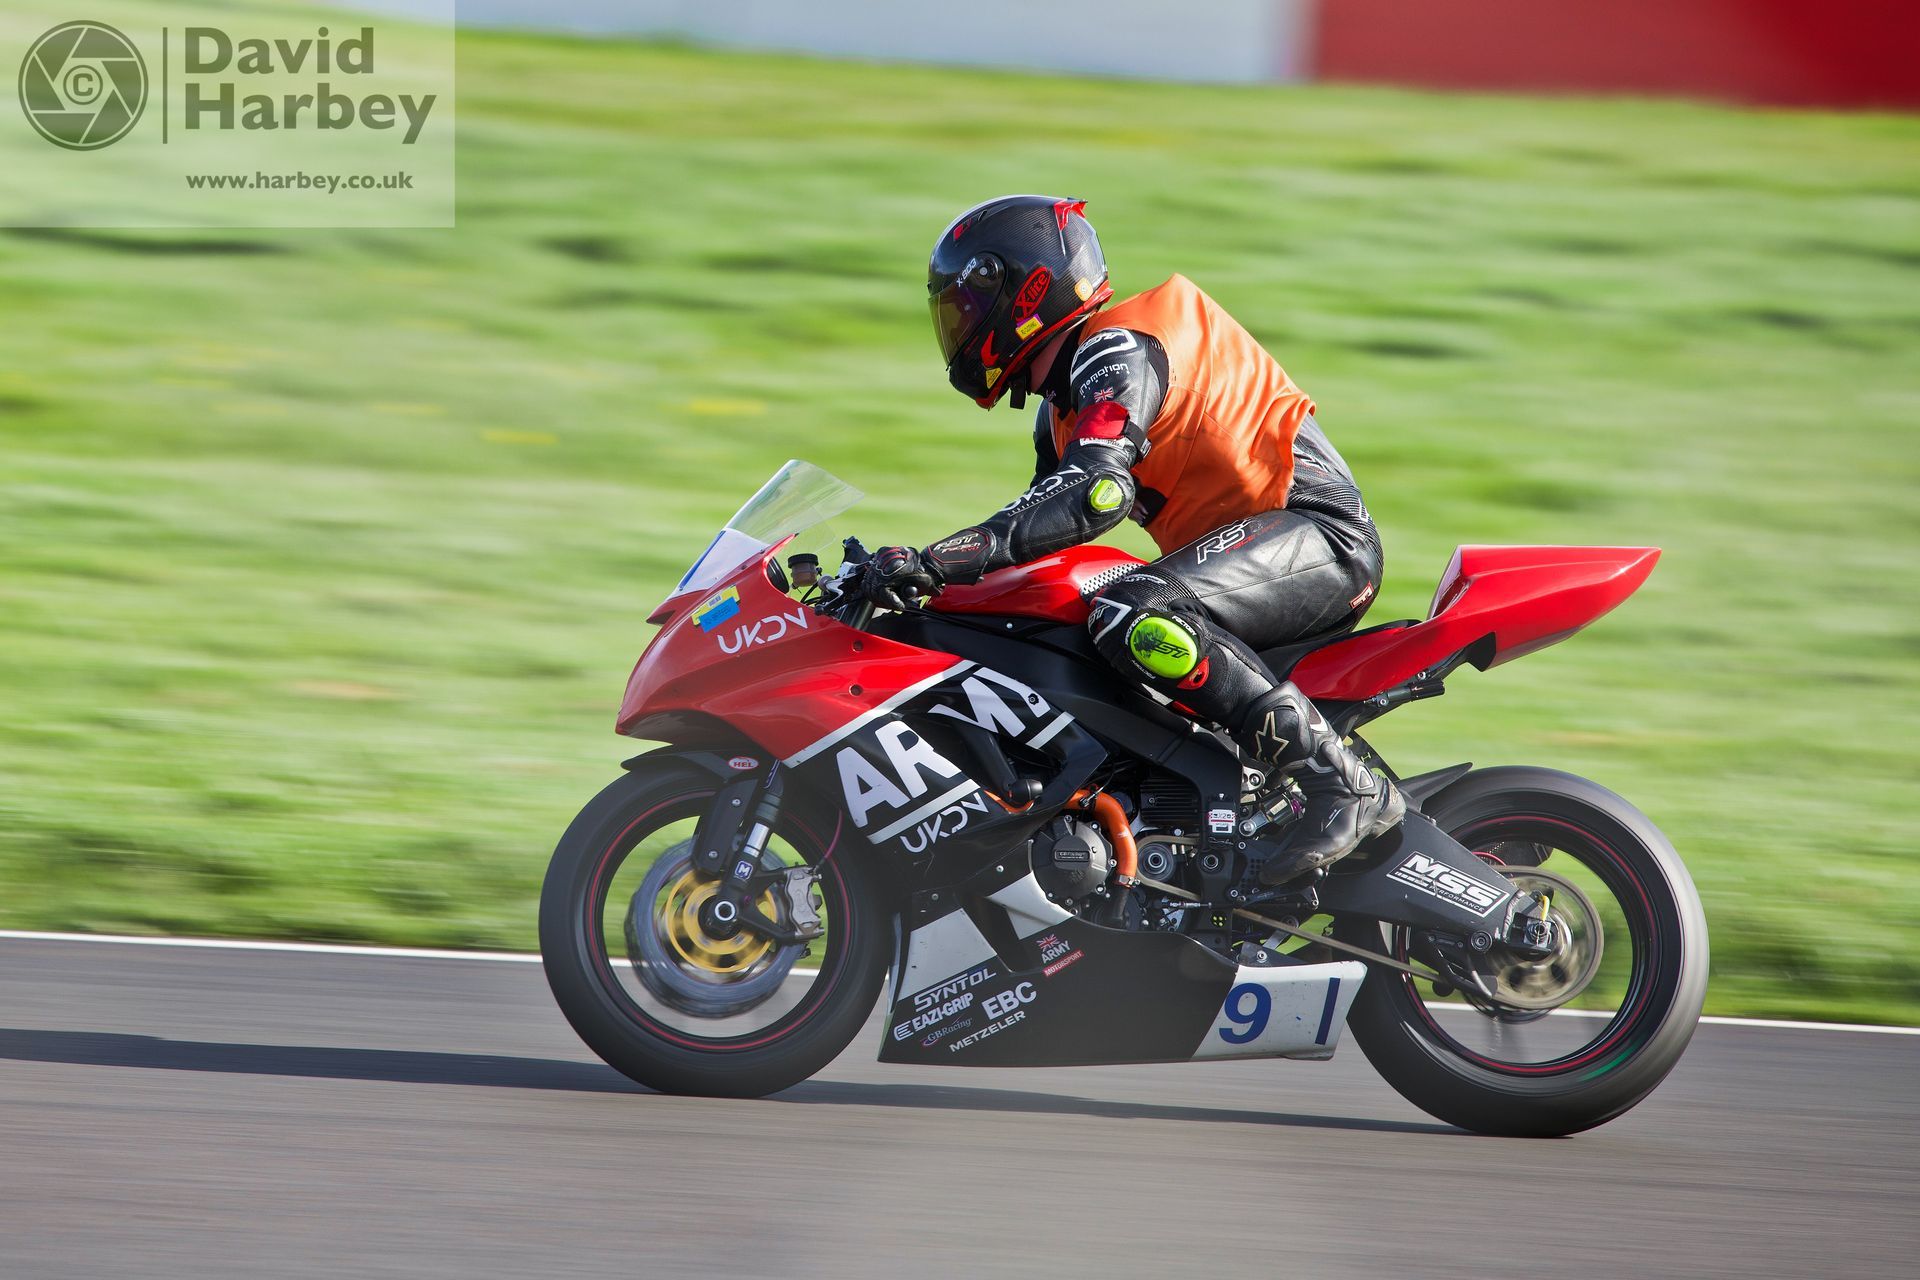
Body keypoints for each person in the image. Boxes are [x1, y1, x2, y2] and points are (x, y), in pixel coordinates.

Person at [864, 194, 1403, 883]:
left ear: (1027, 288)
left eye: (966, 306)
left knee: (1133, 611)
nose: (958, 327)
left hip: (1318, 536)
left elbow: (1095, 495)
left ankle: (1343, 784)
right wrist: (919, 603)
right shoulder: (1063, 410)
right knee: (1056, 627)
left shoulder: (1117, 349)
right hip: (1241, 565)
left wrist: (938, 560)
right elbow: (1040, 548)